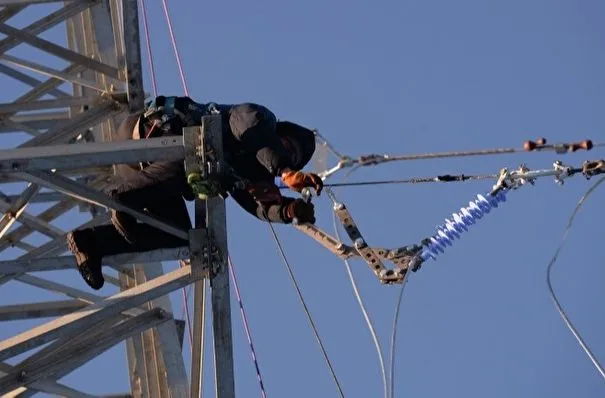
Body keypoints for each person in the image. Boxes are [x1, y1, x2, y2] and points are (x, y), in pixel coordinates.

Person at [66, 96, 324, 290]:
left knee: (181, 236)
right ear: (279, 136)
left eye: (294, 158)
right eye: (288, 147)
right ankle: (122, 200)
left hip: (149, 176)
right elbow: (248, 126)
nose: (289, 155)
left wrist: (289, 211)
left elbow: (256, 204)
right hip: (152, 135)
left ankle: (91, 243)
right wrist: (285, 169)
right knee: (195, 163)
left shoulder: (253, 173)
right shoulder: (257, 118)